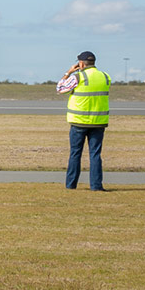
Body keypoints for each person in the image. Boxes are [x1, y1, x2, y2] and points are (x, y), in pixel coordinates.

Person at [57, 51, 109, 192]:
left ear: (80, 63)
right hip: (98, 121)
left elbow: (60, 89)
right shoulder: (105, 77)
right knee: (95, 154)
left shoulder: (78, 76)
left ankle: (71, 184)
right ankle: (96, 186)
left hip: (79, 121)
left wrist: (68, 73)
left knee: (75, 153)